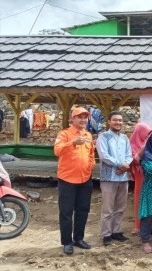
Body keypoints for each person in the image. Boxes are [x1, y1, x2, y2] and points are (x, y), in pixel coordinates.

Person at [54, 107, 95, 255]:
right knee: (66, 212)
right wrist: (72, 142)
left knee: (83, 210)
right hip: (67, 180)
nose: (83, 120)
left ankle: (79, 238)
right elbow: (57, 150)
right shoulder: (64, 134)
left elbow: (91, 153)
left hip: (85, 179)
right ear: (72, 119)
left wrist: (90, 166)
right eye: (80, 117)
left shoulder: (88, 135)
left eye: (85, 117)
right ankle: (67, 242)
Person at [96, 111, 133, 246]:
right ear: (109, 122)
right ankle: (106, 234)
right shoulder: (103, 137)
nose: (118, 122)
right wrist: (120, 164)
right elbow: (104, 156)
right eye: (115, 120)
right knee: (108, 209)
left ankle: (116, 231)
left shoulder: (124, 138)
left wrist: (125, 166)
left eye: (120, 120)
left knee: (120, 207)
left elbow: (130, 154)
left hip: (123, 177)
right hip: (109, 178)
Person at [129, 123, 152, 235]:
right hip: (140, 176)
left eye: (149, 134)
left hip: (150, 176)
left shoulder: (150, 144)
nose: (148, 136)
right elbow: (134, 161)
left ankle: (151, 226)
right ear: (140, 133)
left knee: (151, 201)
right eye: (146, 134)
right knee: (140, 200)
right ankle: (138, 226)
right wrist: (143, 148)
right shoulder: (132, 144)